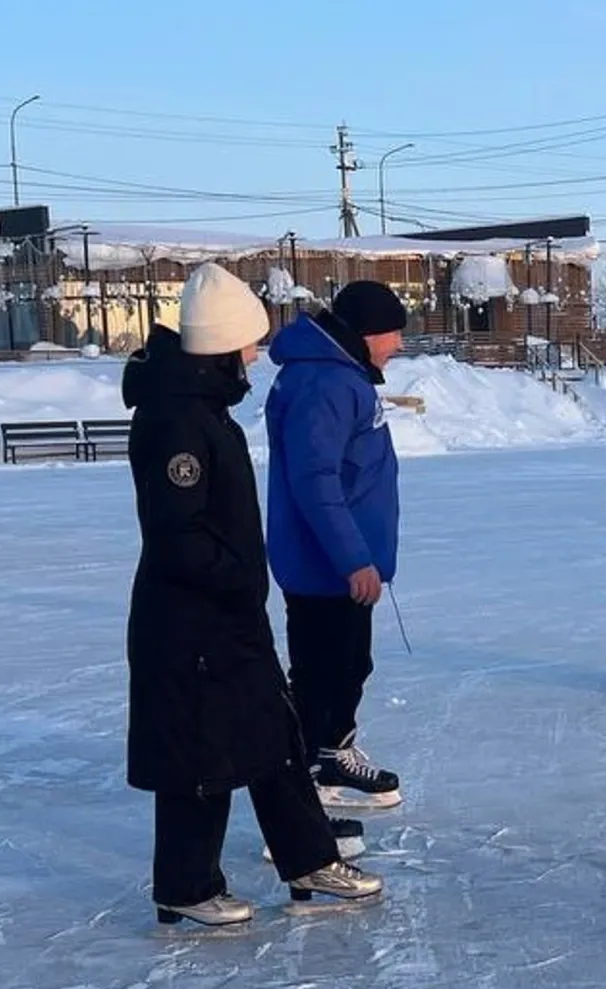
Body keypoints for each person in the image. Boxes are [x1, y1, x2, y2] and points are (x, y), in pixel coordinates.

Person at [123, 263, 382, 927]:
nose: (255, 356)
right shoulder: (177, 419)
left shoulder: (201, 408)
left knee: (275, 734)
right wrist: (237, 572)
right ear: (221, 345)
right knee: (199, 754)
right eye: (248, 344)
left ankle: (308, 859)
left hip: (226, 611)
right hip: (190, 619)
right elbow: (177, 534)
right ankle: (184, 884)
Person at [264, 279, 408, 811]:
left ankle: (334, 753)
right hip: (325, 564)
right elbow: (316, 479)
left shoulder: (341, 376)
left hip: (343, 562)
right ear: (367, 333)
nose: (397, 344)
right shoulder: (325, 383)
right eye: (393, 333)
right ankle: (301, 790)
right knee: (321, 672)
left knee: (349, 663)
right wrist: (353, 559)